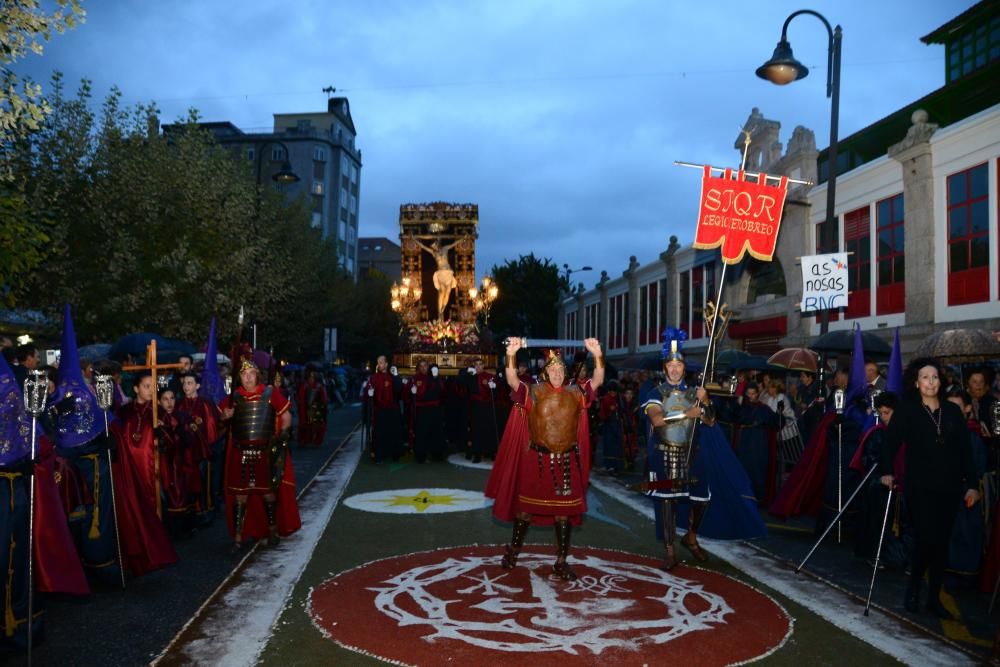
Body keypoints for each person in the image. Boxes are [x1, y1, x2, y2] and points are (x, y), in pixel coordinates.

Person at [486, 338, 604, 581]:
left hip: (566, 463)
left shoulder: (576, 393)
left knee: (563, 514)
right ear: (545, 372)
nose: (557, 373)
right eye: (553, 370)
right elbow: (511, 380)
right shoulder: (533, 392)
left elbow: (599, 380)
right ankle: (514, 551)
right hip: (537, 461)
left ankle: (561, 562)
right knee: (526, 511)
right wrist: (510, 354)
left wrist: (597, 355)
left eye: (561, 370)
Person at [880, 357, 980, 618]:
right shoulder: (907, 410)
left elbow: (964, 452)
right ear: (916, 382)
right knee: (926, 540)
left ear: (941, 381)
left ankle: (933, 598)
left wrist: (972, 484)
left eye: (934, 377)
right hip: (919, 487)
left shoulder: (953, 411)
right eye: (925, 377)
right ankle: (913, 589)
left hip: (949, 487)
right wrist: (887, 471)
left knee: (941, 543)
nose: (930, 382)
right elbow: (889, 442)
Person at [219, 358, 300, 552]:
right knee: (241, 496)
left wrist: (281, 438)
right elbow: (220, 421)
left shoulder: (270, 393)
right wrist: (224, 416)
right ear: (239, 378)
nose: (247, 378)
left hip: (264, 452)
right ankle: (238, 538)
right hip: (240, 452)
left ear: (257, 376)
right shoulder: (234, 396)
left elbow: (287, 416)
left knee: (268, 494)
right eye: (244, 375)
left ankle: (272, 531)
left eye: (251, 374)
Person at [110, 372, 179, 575]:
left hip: (152, 470)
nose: (151, 390)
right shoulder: (123, 412)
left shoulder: (159, 412)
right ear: (136, 388)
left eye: (153, 386)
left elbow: (173, 441)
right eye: (147, 386)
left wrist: (163, 436)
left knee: (154, 506)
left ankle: (155, 548)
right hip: (130, 471)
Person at [176, 371, 221, 522]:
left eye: (189, 383)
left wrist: (210, 447)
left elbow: (212, 427)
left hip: (202, 451)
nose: (186, 386)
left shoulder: (205, 404)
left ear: (197, 385)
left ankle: (208, 510)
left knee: (204, 481)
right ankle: (192, 511)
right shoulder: (179, 404)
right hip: (184, 452)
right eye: (184, 383)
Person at [733, 382, 780, 503]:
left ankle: (758, 495)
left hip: (759, 441)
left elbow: (776, 422)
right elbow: (737, 418)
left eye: (753, 394)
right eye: (748, 394)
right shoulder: (742, 407)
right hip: (745, 440)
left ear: (757, 394)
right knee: (744, 465)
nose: (750, 396)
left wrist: (780, 413)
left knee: (758, 467)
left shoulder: (763, 408)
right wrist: (738, 405)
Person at [362, 355, 404, 463]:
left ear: (386, 364)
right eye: (378, 362)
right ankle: (379, 455)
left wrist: (396, 377)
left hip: (393, 409)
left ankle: (395, 454)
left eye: (381, 362)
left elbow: (399, 390)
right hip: (379, 410)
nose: (379, 364)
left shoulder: (392, 376)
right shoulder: (374, 377)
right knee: (380, 433)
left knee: (394, 432)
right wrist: (369, 393)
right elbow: (368, 390)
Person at [411, 235, 463, 320]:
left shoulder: (445, 248)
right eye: (432, 246)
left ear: (438, 244)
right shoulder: (433, 253)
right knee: (442, 291)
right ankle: (440, 312)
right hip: (441, 274)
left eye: (434, 245)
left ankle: (443, 309)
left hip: (448, 273)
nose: (433, 247)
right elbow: (423, 246)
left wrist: (462, 238)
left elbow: (454, 244)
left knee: (448, 292)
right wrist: (414, 239)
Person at [411, 360, 446, 462]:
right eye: (421, 366)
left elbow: (443, 392)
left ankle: (436, 454)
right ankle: (421, 456)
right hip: (422, 410)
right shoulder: (415, 378)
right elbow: (409, 394)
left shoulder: (435, 378)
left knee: (436, 432)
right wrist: (412, 391)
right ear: (418, 367)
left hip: (435, 409)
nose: (423, 368)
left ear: (428, 367)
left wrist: (437, 380)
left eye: (425, 365)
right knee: (422, 432)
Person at [465, 359, 497, 463]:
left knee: (488, 429)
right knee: (476, 430)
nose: (478, 367)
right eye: (476, 365)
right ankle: (477, 454)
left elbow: (497, 388)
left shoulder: (488, 376)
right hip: (475, 406)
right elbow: (462, 384)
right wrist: (469, 374)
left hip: (487, 406)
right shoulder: (470, 376)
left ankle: (491, 452)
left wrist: (494, 387)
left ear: (483, 365)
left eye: (480, 365)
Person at [296, 370, 329, 447]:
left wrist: (322, 407)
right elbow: (301, 398)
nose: (311, 379)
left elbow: (323, 398)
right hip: (306, 408)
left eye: (312, 378)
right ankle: (304, 440)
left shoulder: (319, 387)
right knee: (305, 425)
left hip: (317, 408)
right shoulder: (304, 386)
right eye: (310, 378)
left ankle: (317, 441)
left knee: (318, 426)